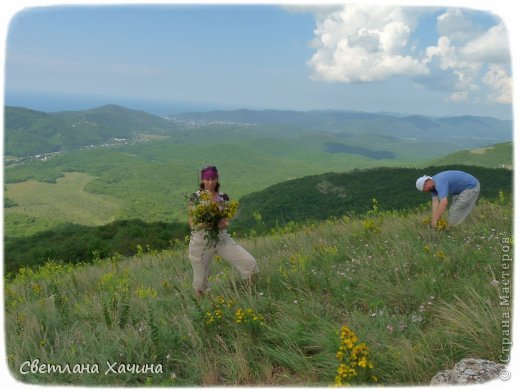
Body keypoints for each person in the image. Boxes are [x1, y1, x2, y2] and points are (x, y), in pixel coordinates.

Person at [188, 165, 259, 297]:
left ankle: (252, 295)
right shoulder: (195, 197)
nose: (210, 182)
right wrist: (206, 224)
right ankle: (201, 307)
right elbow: (192, 223)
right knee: (200, 281)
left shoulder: (223, 197)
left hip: (221, 239)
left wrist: (224, 224)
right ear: (202, 180)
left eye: (213, 179)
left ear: (217, 179)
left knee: (249, 263)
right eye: (207, 179)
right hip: (200, 242)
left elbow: (226, 220)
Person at [416, 170, 480, 228]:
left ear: (426, 184)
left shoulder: (439, 182)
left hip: (471, 187)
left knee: (455, 211)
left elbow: (444, 203)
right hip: (461, 191)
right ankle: (459, 226)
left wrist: (435, 220)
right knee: (453, 211)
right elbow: (435, 202)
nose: (425, 191)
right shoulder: (433, 187)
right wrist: (434, 219)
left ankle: (452, 230)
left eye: (424, 190)